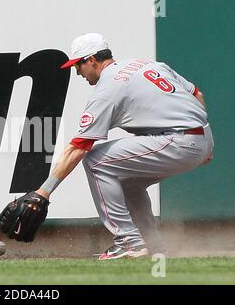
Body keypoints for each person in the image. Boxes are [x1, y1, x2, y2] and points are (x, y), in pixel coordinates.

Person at [35, 33, 214, 260]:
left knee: (95, 160)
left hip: (178, 140)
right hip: (201, 137)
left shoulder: (107, 90)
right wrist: (205, 143)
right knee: (128, 181)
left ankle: (129, 242)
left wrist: (44, 191)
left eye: (78, 65)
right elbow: (197, 93)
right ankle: (152, 245)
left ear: (92, 60)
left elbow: (79, 148)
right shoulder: (147, 64)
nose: (77, 72)